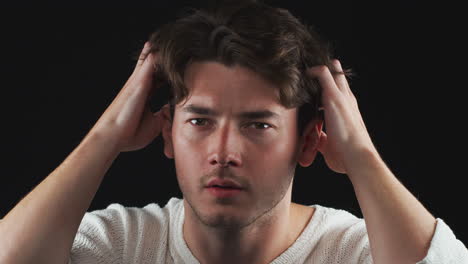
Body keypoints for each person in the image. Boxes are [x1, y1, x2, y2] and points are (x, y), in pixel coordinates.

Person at [1, 1, 467, 263]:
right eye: (199, 121)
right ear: (167, 132)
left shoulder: (354, 251)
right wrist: (106, 136)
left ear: (308, 141)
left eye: (258, 124)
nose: (223, 152)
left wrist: (362, 156)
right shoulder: (121, 243)